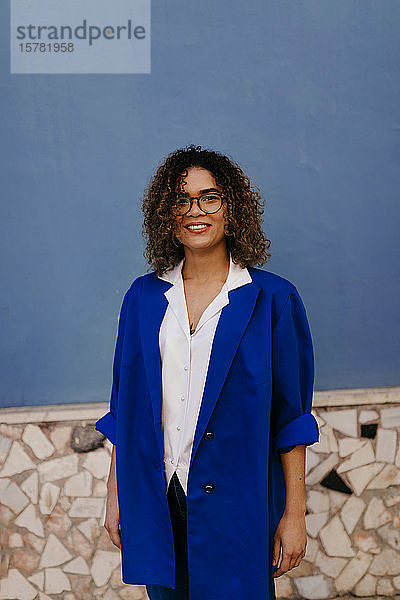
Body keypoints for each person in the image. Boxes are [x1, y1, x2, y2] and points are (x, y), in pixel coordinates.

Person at [95, 144, 320, 600]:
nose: (194, 211)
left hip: (238, 501)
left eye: (208, 197)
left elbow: (290, 418)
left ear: (231, 207)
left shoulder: (272, 299)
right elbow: (126, 408)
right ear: (166, 213)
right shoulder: (142, 298)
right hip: (158, 496)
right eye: (181, 200)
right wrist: (116, 494)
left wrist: (294, 515)